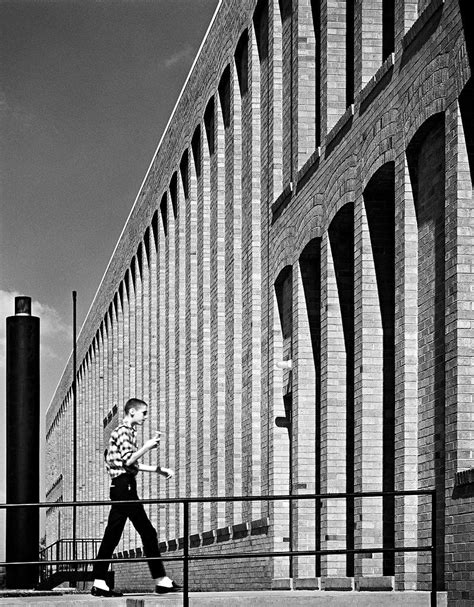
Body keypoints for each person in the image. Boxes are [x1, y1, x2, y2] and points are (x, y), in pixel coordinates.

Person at [91, 397, 181, 597]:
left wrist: (158, 470)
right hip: (124, 486)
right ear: (132, 412)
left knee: (113, 534)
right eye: (144, 413)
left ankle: (99, 581)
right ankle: (161, 580)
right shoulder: (123, 431)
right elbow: (128, 460)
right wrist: (147, 447)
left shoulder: (128, 432)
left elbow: (131, 464)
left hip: (123, 485)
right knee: (147, 532)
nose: (145, 417)